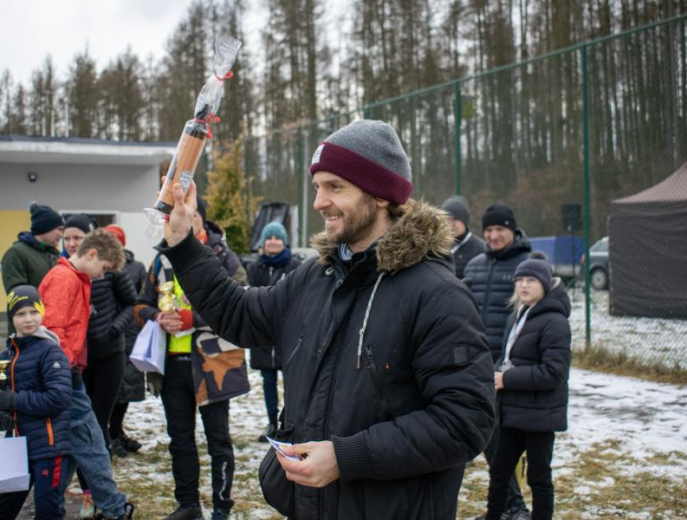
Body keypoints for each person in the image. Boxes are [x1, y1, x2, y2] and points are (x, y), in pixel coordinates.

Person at [158, 119, 495, 519]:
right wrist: (182, 245)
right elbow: (239, 313)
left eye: (335, 187)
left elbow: (464, 422)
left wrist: (345, 457)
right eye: (318, 186)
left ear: (381, 195)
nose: (319, 202)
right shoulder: (315, 277)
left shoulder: (436, 293)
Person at [135, 196, 250, 520]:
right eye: (174, 216)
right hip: (171, 365)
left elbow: (241, 299)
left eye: (190, 214)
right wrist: (157, 315)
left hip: (213, 364)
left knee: (218, 441)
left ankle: (221, 508)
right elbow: (138, 305)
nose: (183, 220)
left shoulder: (223, 256)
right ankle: (188, 505)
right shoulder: (160, 259)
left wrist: (193, 320)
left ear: (200, 219)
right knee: (180, 440)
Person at [39, 229, 134, 520]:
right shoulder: (64, 279)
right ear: (91, 254)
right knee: (93, 443)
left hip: (67, 373)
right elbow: (53, 331)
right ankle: (115, 508)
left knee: (73, 448)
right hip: (64, 375)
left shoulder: (73, 278)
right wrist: (65, 370)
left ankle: (49, 507)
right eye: (103, 269)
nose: (101, 276)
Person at [479, 254, 571, 520]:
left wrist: (505, 379)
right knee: (499, 470)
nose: (524, 285)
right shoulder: (518, 315)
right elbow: (510, 358)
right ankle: (493, 515)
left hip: (540, 415)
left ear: (544, 283)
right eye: (519, 279)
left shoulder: (555, 322)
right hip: (513, 412)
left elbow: (554, 373)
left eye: (531, 280)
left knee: (539, 476)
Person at [464, 203, 532, 520]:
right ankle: (508, 505)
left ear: (512, 230)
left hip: (510, 368)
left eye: (499, 229)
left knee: (506, 440)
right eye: (488, 230)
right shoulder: (475, 265)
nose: (493, 235)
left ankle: (514, 506)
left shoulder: (528, 264)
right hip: (478, 364)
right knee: (489, 437)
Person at [0, 285, 73, 520]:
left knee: (48, 511)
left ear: (41, 312)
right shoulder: (6, 356)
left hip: (49, 445)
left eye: (33, 312)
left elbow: (59, 398)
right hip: (15, 447)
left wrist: (15, 400)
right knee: (3, 510)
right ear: (11, 318)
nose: (28, 319)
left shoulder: (51, 352)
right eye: (20, 314)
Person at [246, 221, 301, 442]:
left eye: (277, 238)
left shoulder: (295, 266)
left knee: (292, 382)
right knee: (268, 382)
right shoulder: (255, 268)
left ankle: (289, 423)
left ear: (284, 241)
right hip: (263, 336)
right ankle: (271, 422)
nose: (273, 242)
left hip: (289, 335)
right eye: (269, 238)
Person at [104, 225, 147, 458]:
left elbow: (140, 299)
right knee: (110, 389)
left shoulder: (136, 267)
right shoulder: (101, 268)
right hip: (109, 332)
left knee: (127, 387)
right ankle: (109, 435)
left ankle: (117, 429)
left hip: (131, 333)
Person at [1, 202, 64, 293]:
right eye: (60, 229)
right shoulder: (17, 253)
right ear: (45, 227)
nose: (62, 235)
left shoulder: (55, 255)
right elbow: (17, 292)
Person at [441, 195, 486, 280]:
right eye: (447, 219)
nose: (450, 225)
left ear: (464, 220)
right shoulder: (439, 247)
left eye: (455, 219)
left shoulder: (480, 248)